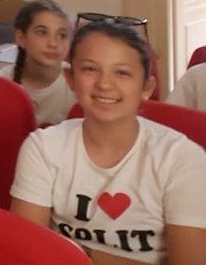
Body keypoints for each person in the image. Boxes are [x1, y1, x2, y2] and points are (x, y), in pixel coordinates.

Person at [11, 21, 206, 264]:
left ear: (146, 88)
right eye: (90, 69)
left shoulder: (184, 160)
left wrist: (84, 254)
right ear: (71, 79)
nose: (104, 84)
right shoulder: (43, 147)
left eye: (122, 72)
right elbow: (27, 252)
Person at [0, 0, 76, 125]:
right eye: (42, 32)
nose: (53, 43)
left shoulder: (79, 84)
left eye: (62, 35)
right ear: (21, 38)